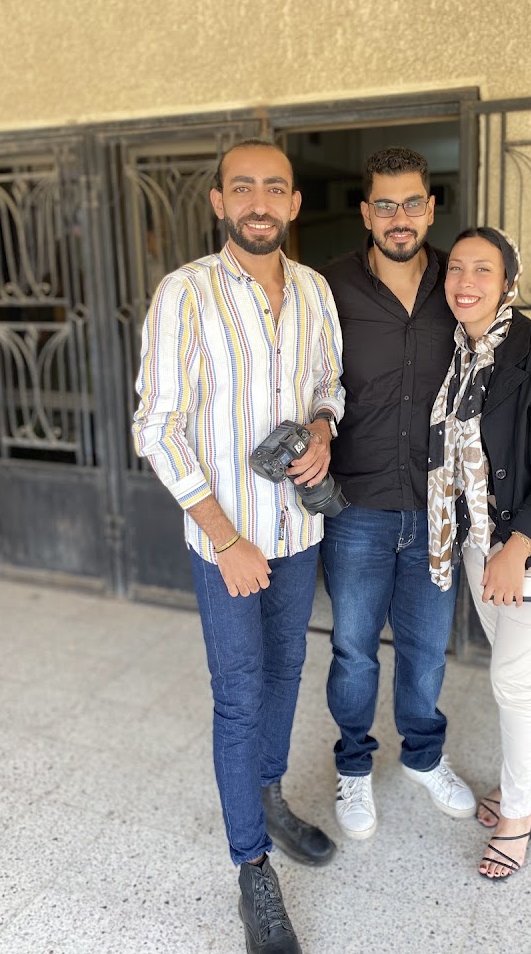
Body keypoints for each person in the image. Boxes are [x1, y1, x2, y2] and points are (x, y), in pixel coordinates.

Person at [132, 139, 344, 954]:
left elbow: (330, 384)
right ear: (220, 201)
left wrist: (322, 427)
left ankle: (269, 796)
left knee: (287, 670)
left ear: (294, 202)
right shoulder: (184, 293)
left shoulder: (315, 290)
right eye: (243, 187)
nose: (260, 201)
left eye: (275, 188)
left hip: (299, 529)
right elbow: (157, 425)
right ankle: (252, 865)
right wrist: (225, 536)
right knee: (239, 693)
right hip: (228, 541)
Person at [428, 226, 531, 880]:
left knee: (513, 678)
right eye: (456, 268)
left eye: (483, 270)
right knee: (513, 666)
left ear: (507, 284)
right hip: (479, 535)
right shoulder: (452, 352)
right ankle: (527, 771)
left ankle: (519, 813)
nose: (466, 282)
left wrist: (518, 546)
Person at [320, 147, 475, 840]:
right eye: (385, 204)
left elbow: (504, 356)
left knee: (426, 648)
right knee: (354, 648)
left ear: (431, 208)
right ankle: (354, 765)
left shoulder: (458, 283)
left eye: (412, 202)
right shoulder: (330, 287)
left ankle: (423, 756)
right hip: (358, 506)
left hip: (438, 505)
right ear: (366, 213)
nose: (399, 217)